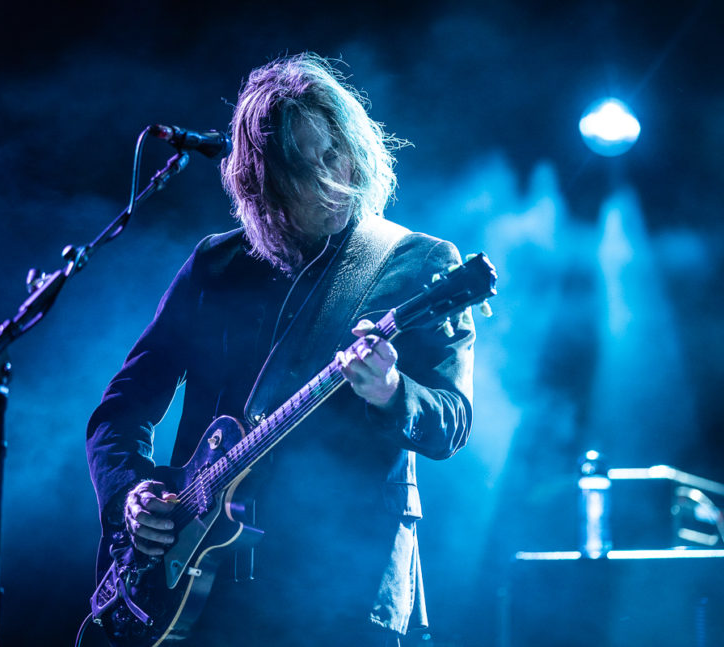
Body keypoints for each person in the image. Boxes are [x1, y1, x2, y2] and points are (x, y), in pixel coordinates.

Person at [86, 53, 474, 646]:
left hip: (336, 591)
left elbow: (453, 421)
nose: (330, 179)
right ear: (259, 182)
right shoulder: (216, 264)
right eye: (302, 167)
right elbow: (122, 408)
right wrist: (129, 494)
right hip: (195, 588)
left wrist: (392, 392)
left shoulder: (418, 265)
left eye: (334, 152)